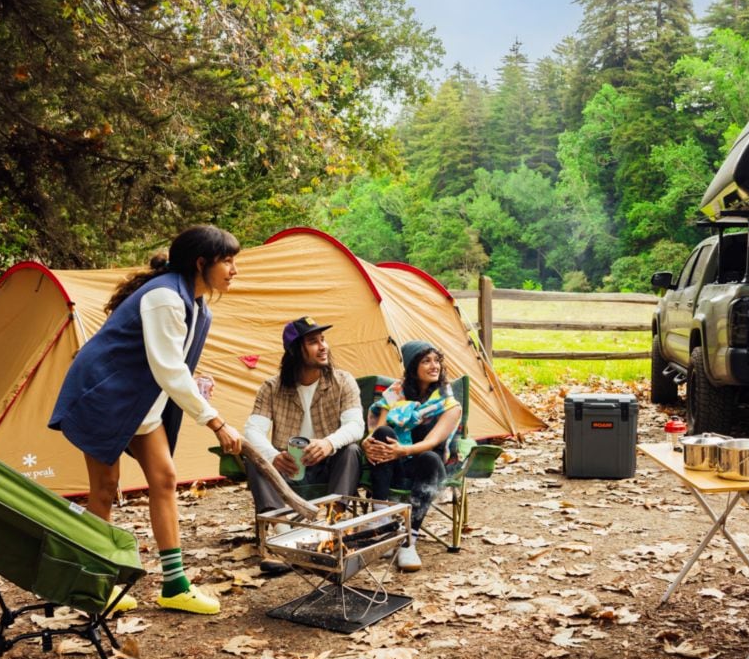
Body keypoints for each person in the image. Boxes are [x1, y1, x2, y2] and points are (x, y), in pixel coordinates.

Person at [49, 225, 244, 615]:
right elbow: (169, 369)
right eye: (227, 261)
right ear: (200, 263)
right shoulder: (165, 298)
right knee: (105, 489)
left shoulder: (196, 303)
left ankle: (174, 585)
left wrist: (196, 382)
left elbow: (172, 363)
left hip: (141, 403)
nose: (234, 270)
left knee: (165, 479)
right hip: (104, 396)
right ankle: (92, 582)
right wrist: (216, 422)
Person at [242, 316, 363, 515]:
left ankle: (333, 524)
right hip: (288, 467)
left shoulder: (343, 381)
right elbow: (253, 430)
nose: (323, 346)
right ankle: (281, 531)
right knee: (255, 459)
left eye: (323, 339)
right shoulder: (272, 387)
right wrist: (273, 457)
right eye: (313, 342)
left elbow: (356, 425)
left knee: (350, 450)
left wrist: (328, 443)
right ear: (295, 350)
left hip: (329, 464)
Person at [363, 340, 461, 572]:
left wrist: (403, 450)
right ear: (413, 366)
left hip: (427, 468)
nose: (434, 366)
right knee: (383, 434)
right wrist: (368, 442)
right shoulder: (395, 393)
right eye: (426, 361)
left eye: (437, 360)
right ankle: (383, 524)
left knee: (429, 456)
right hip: (394, 462)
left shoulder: (449, 402)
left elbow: (433, 441)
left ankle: (409, 540)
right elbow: (381, 428)